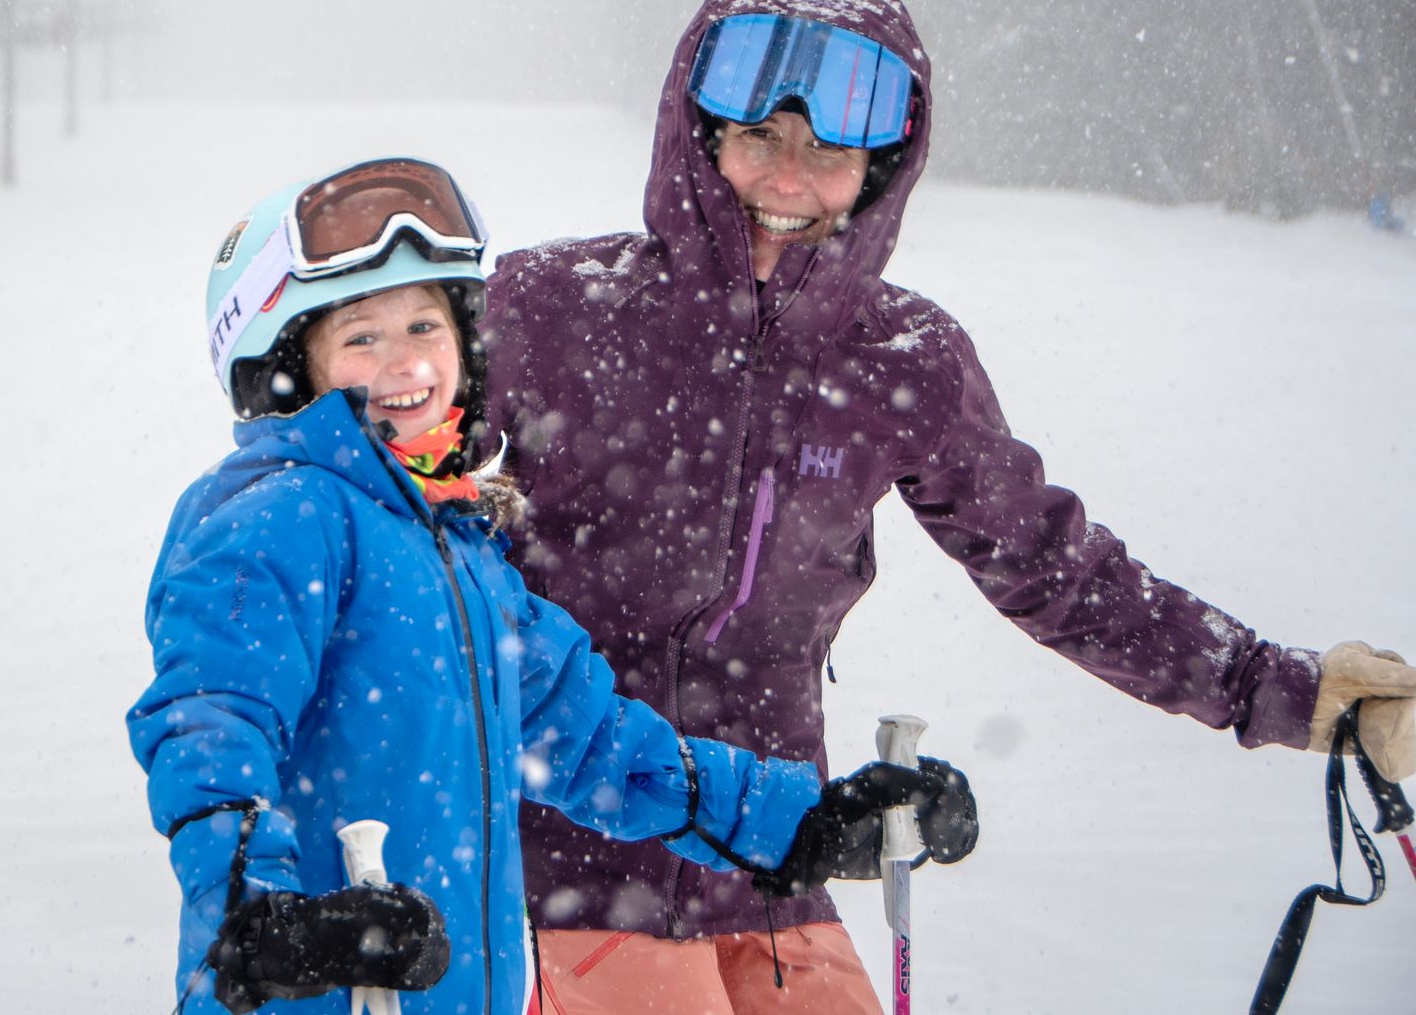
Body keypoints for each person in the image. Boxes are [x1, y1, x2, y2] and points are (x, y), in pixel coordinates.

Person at [482, 0, 1416, 1013]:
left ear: (881, 169)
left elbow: (1058, 570)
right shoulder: (546, 308)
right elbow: (396, 532)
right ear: (698, 135)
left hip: (771, 863)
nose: (789, 180)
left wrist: (1286, 690)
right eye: (760, 141)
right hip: (554, 853)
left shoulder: (901, 356)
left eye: (831, 152)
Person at [127, 157, 974, 1015]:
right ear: (287, 371)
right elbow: (211, 720)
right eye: (360, 337)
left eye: (427, 325)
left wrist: (807, 822)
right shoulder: (279, 515)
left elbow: (600, 746)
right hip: (309, 994)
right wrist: (258, 916)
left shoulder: (457, 551)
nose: (406, 360)